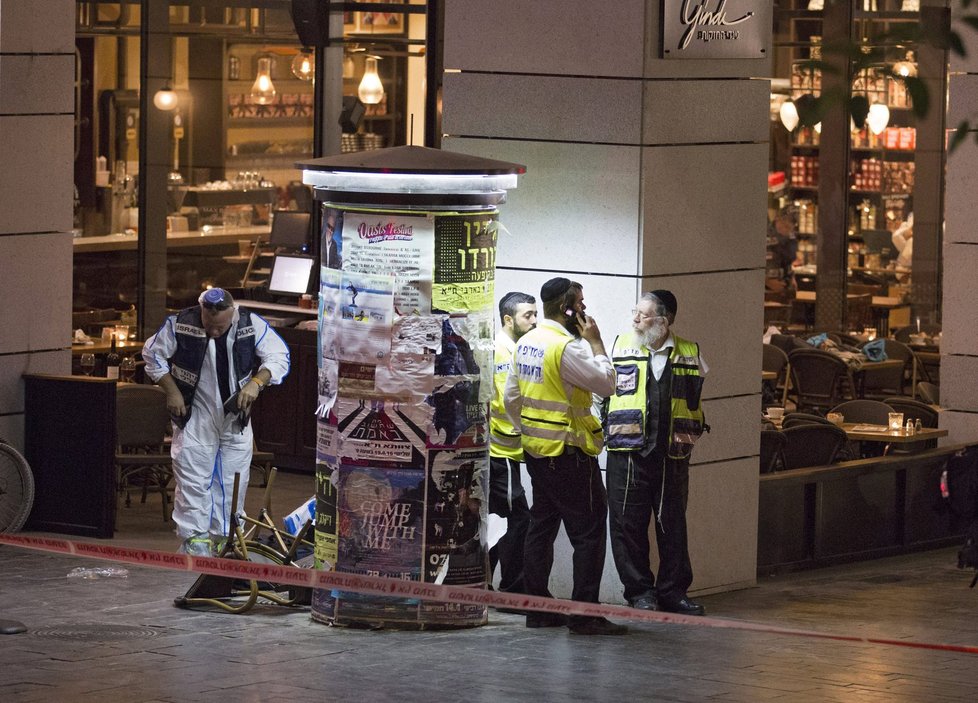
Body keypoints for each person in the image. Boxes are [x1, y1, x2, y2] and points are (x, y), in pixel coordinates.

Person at [504, 277, 626, 636]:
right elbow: (607, 384)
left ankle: (538, 609)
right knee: (588, 534)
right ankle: (585, 615)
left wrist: (529, 431)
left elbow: (512, 398)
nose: (585, 311)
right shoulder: (567, 348)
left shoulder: (527, 343)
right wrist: (597, 343)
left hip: (538, 452)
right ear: (566, 308)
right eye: (581, 304)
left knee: (541, 527)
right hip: (570, 454)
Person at [142, 288, 290, 556]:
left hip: (234, 415)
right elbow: (152, 355)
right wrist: (172, 391)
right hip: (196, 411)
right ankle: (195, 547)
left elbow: (279, 356)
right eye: (208, 325)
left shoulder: (250, 324)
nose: (213, 332)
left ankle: (227, 544)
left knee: (234, 480)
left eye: (219, 327)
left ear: (232, 314)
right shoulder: (180, 324)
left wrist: (257, 383)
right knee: (193, 480)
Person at [604, 290, 709, 615]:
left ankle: (673, 592)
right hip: (628, 452)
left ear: (663, 321)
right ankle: (639, 593)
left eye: (643, 314)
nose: (635, 318)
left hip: (672, 455)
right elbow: (600, 396)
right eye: (634, 311)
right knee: (627, 525)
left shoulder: (691, 352)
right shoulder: (619, 344)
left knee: (673, 525)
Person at [488, 291, 537, 596]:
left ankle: (487, 584)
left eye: (535, 314)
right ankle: (512, 587)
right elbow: (507, 403)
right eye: (527, 315)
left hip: (509, 451)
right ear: (508, 319)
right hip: (501, 451)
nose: (534, 321)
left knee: (499, 519)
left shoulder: (517, 348)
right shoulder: (502, 353)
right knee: (516, 519)